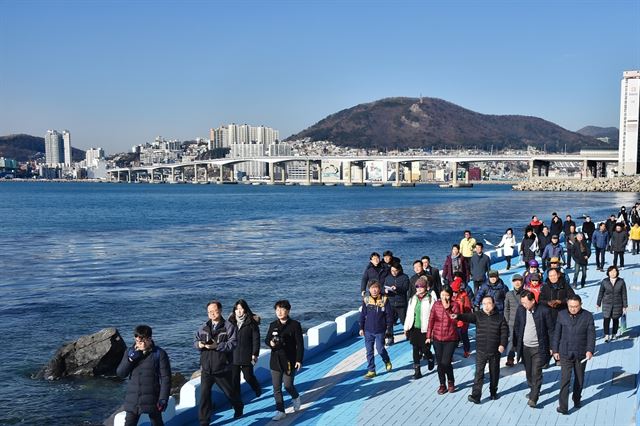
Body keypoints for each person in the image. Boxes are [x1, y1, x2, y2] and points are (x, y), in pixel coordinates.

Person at [195, 301, 244, 425]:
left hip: (222, 368)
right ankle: (204, 421)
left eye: (214, 310)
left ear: (220, 310)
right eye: (209, 311)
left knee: (230, 392)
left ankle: (238, 406)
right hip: (206, 369)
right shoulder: (203, 327)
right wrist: (199, 344)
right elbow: (195, 341)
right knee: (204, 395)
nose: (212, 313)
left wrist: (217, 346)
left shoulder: (228, 326)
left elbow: (233, 344)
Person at [454, 296, 508, 403]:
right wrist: (458, 316)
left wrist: (502, 345)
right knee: (479, 373)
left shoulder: (500, 317)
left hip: (495, 351)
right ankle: (476, 396)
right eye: (484, 304)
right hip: (481, 350)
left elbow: (504, 333)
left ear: (493, 304)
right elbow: (467, 317)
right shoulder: (478, 315)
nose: (486, 306)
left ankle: (493, 392)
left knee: (494, 373)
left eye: (488, 303)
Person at [116, 325, 171, 426]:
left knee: (157, 423)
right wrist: (130, 360)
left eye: (144, 340)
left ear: (150, 339)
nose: (141, 344)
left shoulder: (159, 353)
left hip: (153, 398)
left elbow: (166, 378)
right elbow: (121, 374)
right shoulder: (129, 352)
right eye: (138, 341)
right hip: (133, 399)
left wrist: (163, 399)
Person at [551, 295, 595, 414]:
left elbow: (591, 335)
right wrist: (555, 350)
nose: (573, 309)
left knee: (579, 379)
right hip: (565, 353)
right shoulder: (561, 315)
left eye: (576, 306)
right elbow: (557, 334)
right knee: (565, 380)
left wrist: (590, 350)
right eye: (570, 306)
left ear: (581, 305)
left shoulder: (588, 316)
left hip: (581, 354)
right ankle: (563, 407)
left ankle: (577, 399)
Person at [513, 291, 554, 409]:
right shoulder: (521, 310)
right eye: (522, 303)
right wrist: (516, 345)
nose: (523, 305)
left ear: (532, 301)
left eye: (525, 303)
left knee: (536, 373)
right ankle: (533, 389)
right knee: (529, 372)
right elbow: (517, 327)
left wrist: (552, 347)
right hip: (525, 347)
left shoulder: (544, 311)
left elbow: (551, 330)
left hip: (539, 348)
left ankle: (534, 398)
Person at [266, 300, 304, 421]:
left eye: (282, 309)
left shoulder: (295, 325)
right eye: (277, 310)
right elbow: (267, 339)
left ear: (288, 310)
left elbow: (300, 344)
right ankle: (280, 411)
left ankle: (295, 396)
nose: (280, 312)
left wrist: (299, 360)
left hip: (289, 361)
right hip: (275, 361)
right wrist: (271, 343)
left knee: (288, 385)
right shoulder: (273, 325)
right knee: (276, 388)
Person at [427, 286, 461, 395]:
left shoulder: (454, 305)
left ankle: (450, 380)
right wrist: (428, 336)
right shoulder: (436, 305)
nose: (444, 297)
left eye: (446, 295)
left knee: (446, 362)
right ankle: (442, 384)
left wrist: (448, 308)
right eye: (442, 295)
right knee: (440, 364)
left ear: (450, 295)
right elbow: (431, 320)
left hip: (450, 338)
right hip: (437, 338)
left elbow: (455, 321)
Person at [404, 276, 437, 379]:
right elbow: (409, 314)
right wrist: (406, 327)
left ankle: (430, 357)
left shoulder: (430, 299)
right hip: (414, 328)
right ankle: (417, 371)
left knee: (425, 349)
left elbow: (434, 315)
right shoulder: (413, 299)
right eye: (417, 286)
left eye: (421, 286)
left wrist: (432, 330)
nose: (419, 288)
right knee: (415, 349)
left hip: (426, 329)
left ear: (426, 287)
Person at [228, 299, 262, 400]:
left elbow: (256, 339)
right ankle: (237, 401)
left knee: (248, 377)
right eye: (237, 309)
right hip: (233, 355)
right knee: (234, 380)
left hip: (246, 354)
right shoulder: (230, 322)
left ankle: (256, 388)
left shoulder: (251, 322)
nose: (239, 311)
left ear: (245, 310)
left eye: (241, 309)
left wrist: (255, 354)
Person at [359, 280, 393, 379]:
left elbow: (389, 315)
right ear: (369, 289)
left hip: (380, 330)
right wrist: (361, 328)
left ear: (379, 289)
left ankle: (387, 361)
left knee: (380, 349)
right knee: (369, 351)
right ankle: (371, 370)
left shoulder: (384, 300)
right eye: (372, 288)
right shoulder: (366, 300)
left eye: (376, 288)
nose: (374, 290)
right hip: (368, 330)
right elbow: (362, 315)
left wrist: (388, 328)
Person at [596, 266, 628, 341]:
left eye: (614, 271)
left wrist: (625, 305)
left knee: (615, 320)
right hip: (607, 304)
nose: (613, 273)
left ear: (617, 272)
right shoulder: (604, 281)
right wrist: (598, 303)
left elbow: (624, 294)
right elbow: (601, 292)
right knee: (606, 319)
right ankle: (606, 334)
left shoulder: (621, 281)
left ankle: (614, 333)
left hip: (618, 304)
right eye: (611, 272)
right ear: (608, 273)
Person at [504, 274, 524, 366]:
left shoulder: (526, 293)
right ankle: (510, 358)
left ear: (522, 282)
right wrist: (507, 321)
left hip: (523, 322)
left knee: (523, 340)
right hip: (511, 322)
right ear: (512, 282)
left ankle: (524, 357)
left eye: (519, 280)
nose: (517, 282)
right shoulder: (509, 294)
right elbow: (506, 309)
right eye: (515, 281)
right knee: (511, 340)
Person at [384, 262, 410, 330]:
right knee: (389, 322)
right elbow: (385, 287)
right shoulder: (388, 278)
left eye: (395, 271)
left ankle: (408, 334)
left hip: (401, 303)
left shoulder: (405, 277)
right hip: (390, 303)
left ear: (399, 270)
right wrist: (386, 291)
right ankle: (390, 337)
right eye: (392, 270)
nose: (394, 272)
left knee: (404, 321)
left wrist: (397, 288)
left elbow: (406, 288)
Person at [451, 277, 472, 358]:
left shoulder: (464, 297)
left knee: (464, 336)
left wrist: (467, 320)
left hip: (463, 321)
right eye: (452, 291)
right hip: (454, 321)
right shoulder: (451, 297)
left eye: (455, 292)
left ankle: (467, 350)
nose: (454, 293)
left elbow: (468, 309)